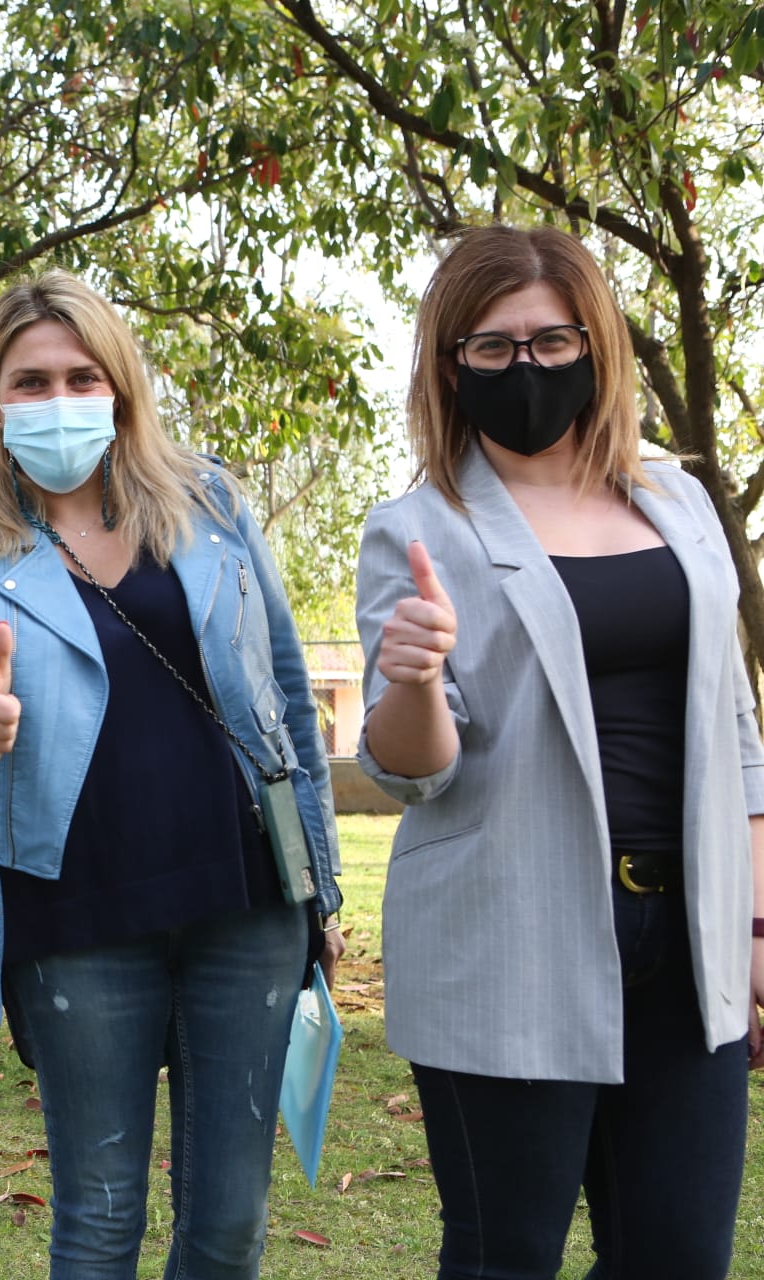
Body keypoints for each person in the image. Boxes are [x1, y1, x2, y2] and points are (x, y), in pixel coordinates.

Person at [0, 270, 341, 1280]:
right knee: (100, 1221)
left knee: (229, 1223)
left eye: (79, 375)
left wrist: (318, 881)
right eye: (29, 382)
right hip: (79, 905)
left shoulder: (210, 501)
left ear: (121, 386)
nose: (57, 399)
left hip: (245, 895)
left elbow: (280, 686)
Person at [354, 224, 764, 1280]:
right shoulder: (416, 527)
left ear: (598, 345)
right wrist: (409, 675)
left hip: (690, 934)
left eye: (550, 340)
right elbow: (414, 768)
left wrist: (757, 920)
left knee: (678, 1253)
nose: (524, 367)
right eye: (490, 348)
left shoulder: (679, 500)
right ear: (451, 364)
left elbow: (735, 730)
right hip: (508, 928)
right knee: (508, 1252)